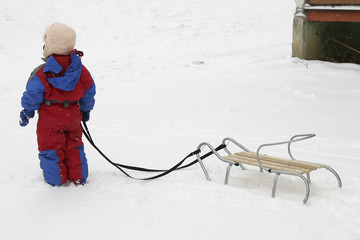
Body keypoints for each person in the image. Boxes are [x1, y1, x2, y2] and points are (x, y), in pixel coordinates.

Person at [19, 22, 96, 186]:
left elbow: (33, 94)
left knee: (51, 148)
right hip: (73, 116)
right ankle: (78, 177)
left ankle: (56, 180)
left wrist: (27, 111)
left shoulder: (43, 71)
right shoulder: (80, 70)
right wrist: (86, 110)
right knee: (74, 146)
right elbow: (89, 91)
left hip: (50, 119)